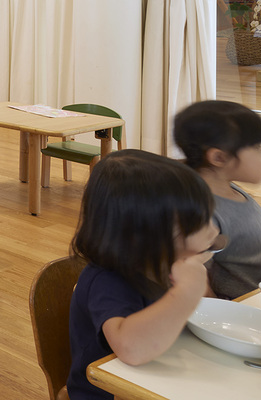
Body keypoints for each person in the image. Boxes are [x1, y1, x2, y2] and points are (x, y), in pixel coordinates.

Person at [66, 151, 218, 400]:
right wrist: (186, 291)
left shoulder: (171, 264)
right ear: (148, 234)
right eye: (198, 222)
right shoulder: (106, 281)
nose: (213, 230)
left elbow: (207, 317)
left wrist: (200, 288)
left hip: (167, 378)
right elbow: (131, 350)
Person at [173, 100, 261, 299]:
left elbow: (255, 232)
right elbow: (195, 279)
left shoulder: (233, 190)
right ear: (219, 158)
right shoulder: (202, 211)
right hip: (252, 306)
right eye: (258, 148)